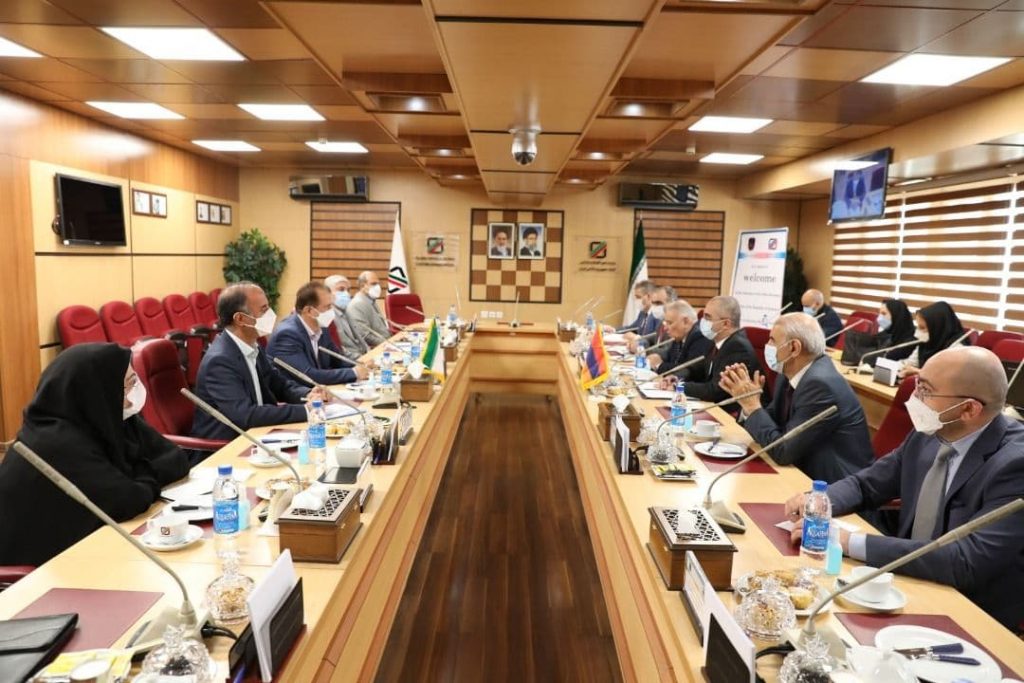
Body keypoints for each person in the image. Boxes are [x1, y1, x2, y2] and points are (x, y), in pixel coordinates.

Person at [785, 347, 1024, 631]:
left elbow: (965, 560)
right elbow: (867, 484)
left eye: (925, 391)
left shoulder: (1015, 464)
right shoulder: (929, 434)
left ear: (969, 409)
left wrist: (847, 542)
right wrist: (819, 502)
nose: (913, 399)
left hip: (971, 611)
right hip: (906, 580)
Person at [0, 344, 190, 566]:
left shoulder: (106, 417)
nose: (131, 399)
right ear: (97, 391)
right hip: (38, 570)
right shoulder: (53, 442)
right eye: (127, 386)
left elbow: (176, 459)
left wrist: (139, 475)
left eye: (133, 382)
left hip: (87, 545)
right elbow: (129, 500)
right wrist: (142, 474)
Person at [719, 313, 874, 483]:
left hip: (834, 484)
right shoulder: (788, 374)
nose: (767, 345)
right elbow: (773, 424)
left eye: (772, 340)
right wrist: (748, 402)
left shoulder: (821, 386)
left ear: (794, 348)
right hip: (800, 469)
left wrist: (752, 406)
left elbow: (783, 451)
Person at [191, 283, 326, 443]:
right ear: (240, 319)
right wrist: (305, 410)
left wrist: (307, 394)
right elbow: (246, 415)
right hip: (228, 446)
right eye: (264, 310)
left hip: (260, 434)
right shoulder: (220, 361)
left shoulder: (253, 346)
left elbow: (279, 385)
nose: (271, 314)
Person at [662, 295, 763, 408]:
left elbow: (716, 390)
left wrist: (679, 387)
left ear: (726, 324)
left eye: (708, 318)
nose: (702, 321)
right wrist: (677, 378)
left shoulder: (737, 347)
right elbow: (696, 369)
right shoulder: (715, 341)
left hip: (730, 412)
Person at [268, 282, 369, 387]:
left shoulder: (321, 327)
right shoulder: (287, 334)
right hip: (298, 393)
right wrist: (354, 373)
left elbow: (337, 360)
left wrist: (362, 365)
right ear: (309, 311)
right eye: (328, 307)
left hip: (319, 390)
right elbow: (308, 375)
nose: (332, 311)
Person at [900, 300, 969, 378]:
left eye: (922, 327)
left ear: (937, 328)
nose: (917, 333)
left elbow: (947, 379)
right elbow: (910, 364)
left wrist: (918, 372)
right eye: (918, 326)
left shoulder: (956, 350)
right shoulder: (929, 340)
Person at [646, 300, 713, 377]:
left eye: (670, 323)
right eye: (665, 323)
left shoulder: (699, 337)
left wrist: (659, 365)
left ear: (685, 322)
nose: (665, 328)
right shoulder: (679, 336)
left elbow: (688, 371)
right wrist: (655, 358)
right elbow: (670, 358)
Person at [324, 274, 368, 357]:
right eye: (341, 289)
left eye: (348, 290)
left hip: (364, 357)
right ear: (328, 293)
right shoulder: (327, 317)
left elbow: (360, 340)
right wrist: (362, 359)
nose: (347, 294)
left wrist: (370, 353)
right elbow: (338, 349)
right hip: (351, 361)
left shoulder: (347, 312)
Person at [626, 284, 677, 352]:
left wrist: (641, 349)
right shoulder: (662, 321)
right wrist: (638, 343)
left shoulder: (675, 325)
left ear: (671, 303)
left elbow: (666, 352)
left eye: (658, 303)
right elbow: (650, 340)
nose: (654, 306)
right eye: (653, 303)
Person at [347, 271, 391, 348]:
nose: (377, 287)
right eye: (373, 284)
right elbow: (365, 336)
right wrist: (388, 343)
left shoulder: (371, 301)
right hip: (378, 347)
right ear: (362, 286)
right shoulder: (357, 304)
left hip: (386, 342)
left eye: (378, 284)